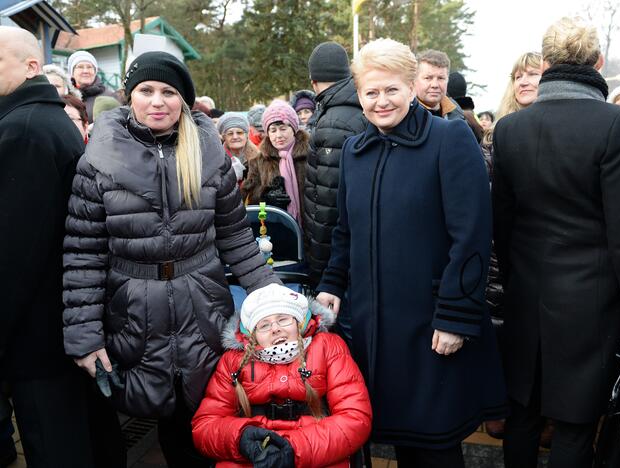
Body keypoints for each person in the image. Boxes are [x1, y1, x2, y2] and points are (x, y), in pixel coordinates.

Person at [62, 51, 279, 468]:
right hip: (132, 309)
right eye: (146, 90)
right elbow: (83, 254)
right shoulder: (98, 161)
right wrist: (85, 336)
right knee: (149, 410)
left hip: (202, 303)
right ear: (130, 97)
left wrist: (274, 301)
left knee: (203, 415)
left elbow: (235, 236)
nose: (157, 101)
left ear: (183, 101)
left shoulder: (209, 155)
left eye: (168, 92)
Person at [316, 38, 506, 468]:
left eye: (391, 90)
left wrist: (456, 315)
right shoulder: (355, 150)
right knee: (399, 438)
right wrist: (332, 281)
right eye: (371, 91)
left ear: (410, 86)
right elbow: (345, 229)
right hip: (374, 325)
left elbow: (472, 236)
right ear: (359, 94)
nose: (381, 101)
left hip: (432, 326)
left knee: (435, 444)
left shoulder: (449, 138)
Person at [492, 17, 620, 467]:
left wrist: (516, 279)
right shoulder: (615, 124)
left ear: (545, 64)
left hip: (526, 293)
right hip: (591, 303)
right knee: (574, 424)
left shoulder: (510, 129)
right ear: (598, 62)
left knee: (523, 415)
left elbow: (501, 224)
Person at [0, 25, 100, 467]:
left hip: (36, 334)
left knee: (55, 447)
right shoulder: (42, 119)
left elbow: (15, 252)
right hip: (59, 323)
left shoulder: (23, 129)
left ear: (31, 66)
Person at [192, 283, 372, 467]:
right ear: (251, 335)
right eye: (264, 325)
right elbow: (205, 425)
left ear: (299, 322)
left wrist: (295, 450)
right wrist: (241, 439)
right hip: (254, 453)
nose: (275, 328)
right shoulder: (234, 361)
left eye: (283, 319)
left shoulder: (328, 347)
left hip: (316, 447)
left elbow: (355, 416)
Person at [303, 41, 367, 289]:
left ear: (313, 82)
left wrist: (320, 270)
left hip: (337, 258)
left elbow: (328, 203)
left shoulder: (332, 122)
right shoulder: (359, 107)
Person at [242, 100, 308, 224]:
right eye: (273, 130)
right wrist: (266, 197)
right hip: (275, 228)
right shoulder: (258, 161)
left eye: (283, 129)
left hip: (311, 229)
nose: (278, 135)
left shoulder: (309, 156)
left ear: (294, 129)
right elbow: (251, 200)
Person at [67, 50, 118, 123]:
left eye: (89, 67)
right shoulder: (66, 97)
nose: (85, 71)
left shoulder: (110, 96)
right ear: (72, 73)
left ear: (95, 72)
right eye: (80, 67)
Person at [414, 49, 464, 120]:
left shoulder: (457, 116)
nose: (435, 85)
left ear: (447, 80)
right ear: (414, 80)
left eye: (440, 78)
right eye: (428, 78)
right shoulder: (402, 116)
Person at [217, 112, 259, 182]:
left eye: (239, 132)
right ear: (224, 137)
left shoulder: (259, 157)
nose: (235, 137)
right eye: (230, 133)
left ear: (246, 135)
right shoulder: (217, 159)